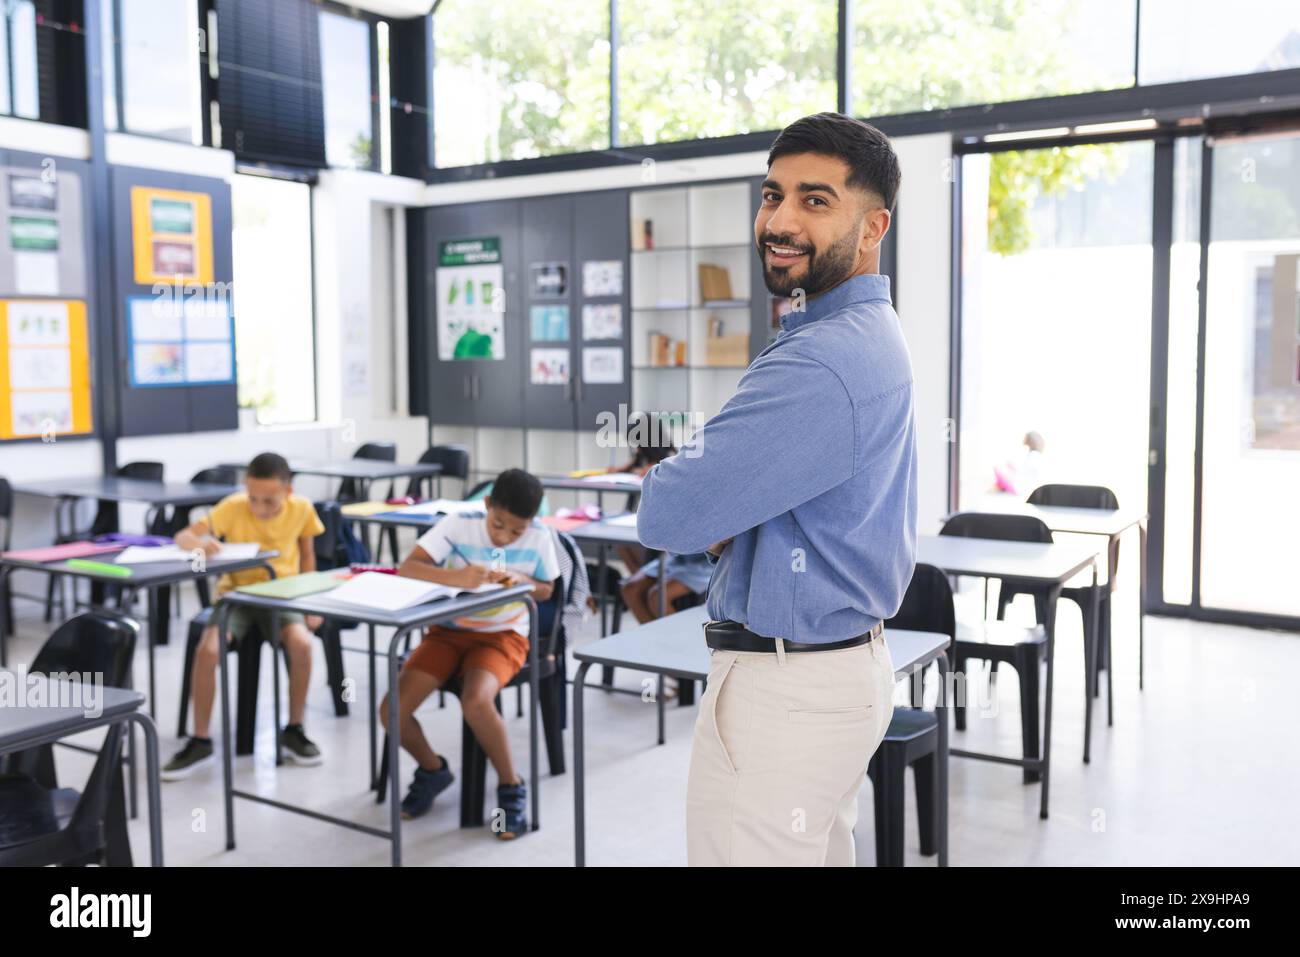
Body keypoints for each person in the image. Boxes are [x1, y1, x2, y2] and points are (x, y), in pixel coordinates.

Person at [637, 112, 917, 866]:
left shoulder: (819, 360)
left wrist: (718, 490)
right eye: (772, 194)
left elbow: (667, 510)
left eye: (815, 200)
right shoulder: (860, 333)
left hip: (784, 694)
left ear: (872, 227)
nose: (780, 220)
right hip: (836, 673)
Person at [379, 468, 558, 838]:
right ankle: (433, 770)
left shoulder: (541, 537)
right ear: (487, 504)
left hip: (503, 635)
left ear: (532, 522)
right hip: (448, 631)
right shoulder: (459, 523)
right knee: (391, 710)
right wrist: (455, 578)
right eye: (498, 524)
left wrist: (523, 581)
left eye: (516, 531)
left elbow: (547, 590)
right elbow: (407, 568)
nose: (505, 537)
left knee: (476, 701)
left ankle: (511, 785)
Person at [162, 452, 327, 780]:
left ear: (288, 491)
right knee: (208, 651)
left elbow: (308, 554)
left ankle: (294, 729)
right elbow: (182, 536)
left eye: (269, 500)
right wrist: (197, 542)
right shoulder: (232, 506)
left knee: (302, 646)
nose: (259, 507)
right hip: (235, 597)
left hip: (282, 594)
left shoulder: (302, 509)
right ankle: (200, 739)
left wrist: (310, 603)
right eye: (253, 498)